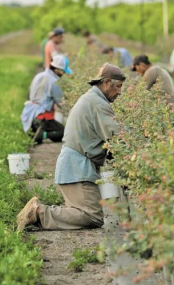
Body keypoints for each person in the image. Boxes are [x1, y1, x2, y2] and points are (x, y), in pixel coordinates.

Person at [17, 63, 125, 231]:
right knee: (92, 216)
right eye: (118, 87)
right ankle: (39, 212)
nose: (119, 92)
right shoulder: (98, 103)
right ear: (106, 82)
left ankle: (40, 212)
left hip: (73, 166)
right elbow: (118, 137)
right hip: (78, 169)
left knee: (82, 213)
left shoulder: (91, 98)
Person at [21, 55, 72, 144]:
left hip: (29, 115)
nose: (63, 74)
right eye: (63, 72)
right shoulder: (54, 82)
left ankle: (35, 133)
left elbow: (28, 94)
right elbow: (61, 102)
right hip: (42, 117)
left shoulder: (39, 75)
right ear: (57, 70)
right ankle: (43, 135)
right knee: (64, 133)